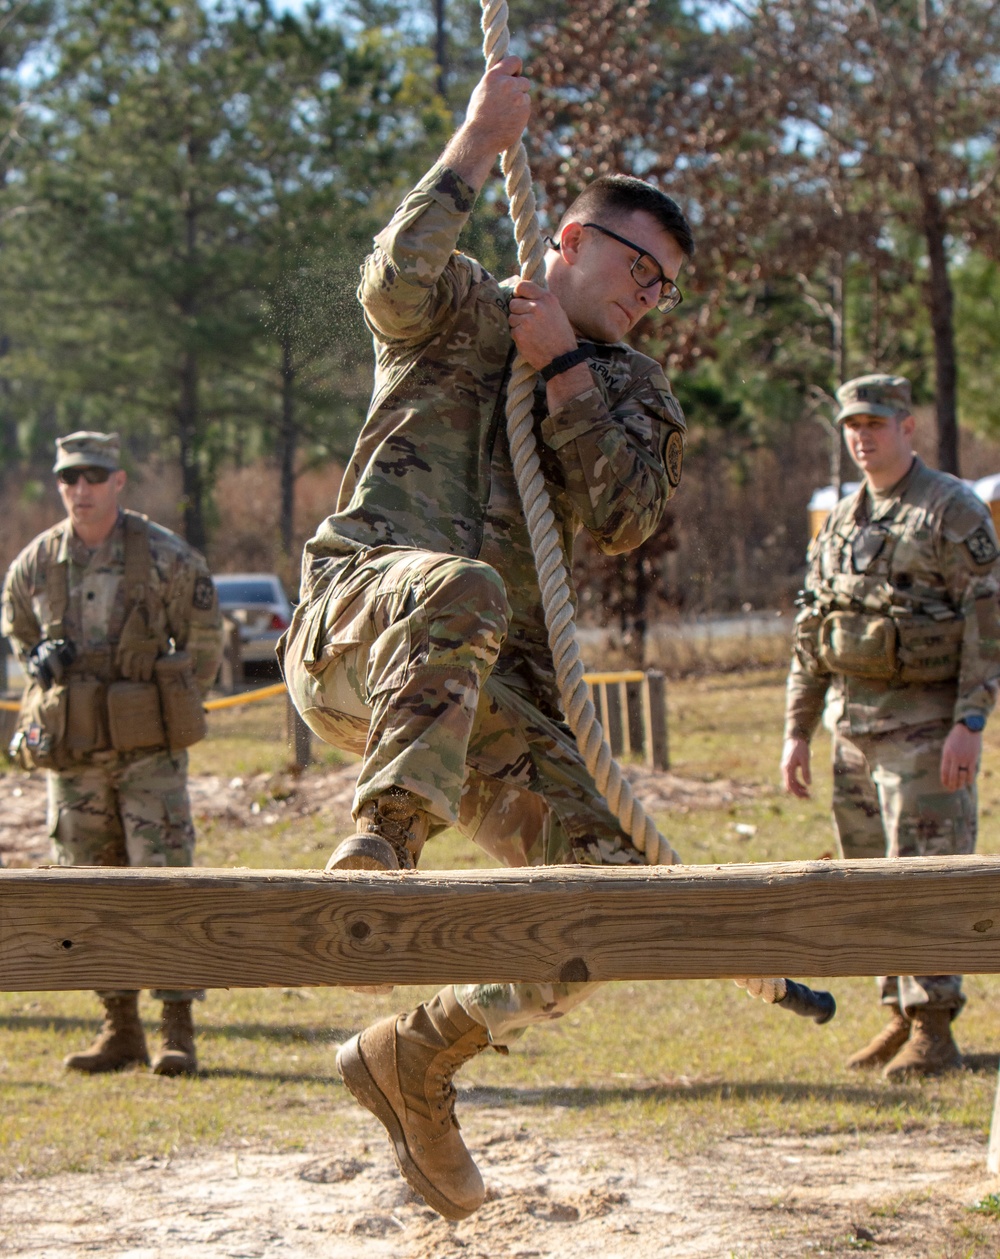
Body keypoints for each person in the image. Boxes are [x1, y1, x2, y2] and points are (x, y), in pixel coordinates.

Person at [280, 58, 691, 1219]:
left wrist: (562, 368)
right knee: (459, 584)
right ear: (568, 237)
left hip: (484, 692)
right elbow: (389, 284)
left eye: (666, 287)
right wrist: (473, 142)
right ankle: (383, 846)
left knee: (604, 896)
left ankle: (415, 1055)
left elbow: (622, 517)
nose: (650, 294)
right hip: (360, 621)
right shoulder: (459, 301)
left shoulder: (626, 384)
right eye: (637, 266)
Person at [781, 374, 1000, 1078]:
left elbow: (988, 625)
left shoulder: (952, 510)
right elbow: (812, 630)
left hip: (926, 730)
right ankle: (897, 1014)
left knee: (924, 878)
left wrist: (971, 720)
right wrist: (797, 730)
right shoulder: (843, 520)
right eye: (852, 425)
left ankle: (935, 1026)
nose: (863, 437)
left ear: (909, 427)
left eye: (876, 423)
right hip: (853, 731)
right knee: (870, 881)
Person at [2, 430, 224, 1076]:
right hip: (73, 751)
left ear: (119, 481)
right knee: (87, 885)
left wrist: (173, 692)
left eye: (94, 476)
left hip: (147, 749)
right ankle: (119, 1026)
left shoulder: (163, 555)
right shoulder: (38, 562)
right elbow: (14, 623)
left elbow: (206, 635)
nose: (81, 488)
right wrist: (35, 659)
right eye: (70, 477)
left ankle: (175, 1027)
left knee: (163, 881)